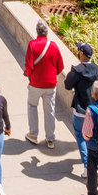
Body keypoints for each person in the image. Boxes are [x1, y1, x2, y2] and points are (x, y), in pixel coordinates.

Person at [24, 18, 64, 147]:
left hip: (35, 83)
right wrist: (51, 75)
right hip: (50, 84)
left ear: (37, 31)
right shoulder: (53, 46)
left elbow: (29, 66)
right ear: (47, 32)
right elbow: (60, 66)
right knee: (49, 111)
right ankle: (50, 139)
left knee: (32, 106)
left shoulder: (32, 45)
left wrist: (30, 76)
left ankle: (33, 134)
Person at [65, 42, 98, 171]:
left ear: (81, 53)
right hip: (95, 111)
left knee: (80, 135)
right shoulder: (97, 70)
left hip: (81, 111)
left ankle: (87, 166)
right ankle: (92, 162)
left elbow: (67, 85)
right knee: (92, 137)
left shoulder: (77, 70)